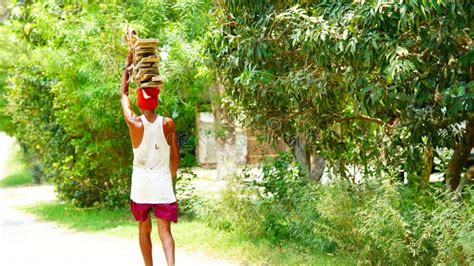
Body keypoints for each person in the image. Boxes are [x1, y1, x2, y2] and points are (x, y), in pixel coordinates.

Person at [120, 51, 179, 266]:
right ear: (156, 100)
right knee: (165, 233)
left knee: (144, 228)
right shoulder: (168, 123)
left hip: (142, 183)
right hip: (162, 181)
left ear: (140, 102)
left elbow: (123, 96)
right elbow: (175, 153)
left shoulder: (134, 124)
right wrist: (171, 174)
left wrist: (127, 66)